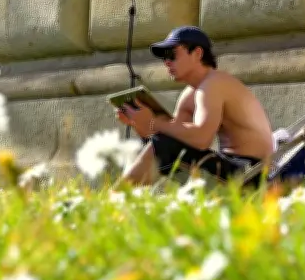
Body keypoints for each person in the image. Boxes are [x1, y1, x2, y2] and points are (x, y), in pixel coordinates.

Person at [117, 26, 275, 186]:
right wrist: (140, 124)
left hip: (252, 172)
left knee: (163, 146)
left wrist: (153, 123)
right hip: (232, 166)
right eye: (164, 57)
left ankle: (118, 196)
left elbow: (201, 138)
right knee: (160, 145)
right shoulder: (191, 94)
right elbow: (175, 138)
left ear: (197, 53)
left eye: (172, 54)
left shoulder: (213, 83)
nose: (166, 62)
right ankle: (122, 195)